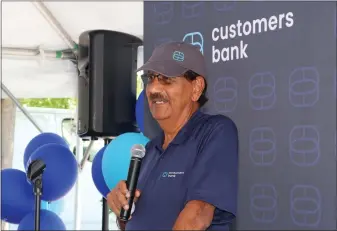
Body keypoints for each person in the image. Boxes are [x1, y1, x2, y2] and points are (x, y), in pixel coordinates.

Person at [107, 41, 238, 230]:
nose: (153, 89)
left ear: (196, 88)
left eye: (166, 79)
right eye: (150, 79)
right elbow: (134, 223)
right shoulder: (148, 150)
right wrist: (121, 209)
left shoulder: (215, 131)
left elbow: (197, 216)